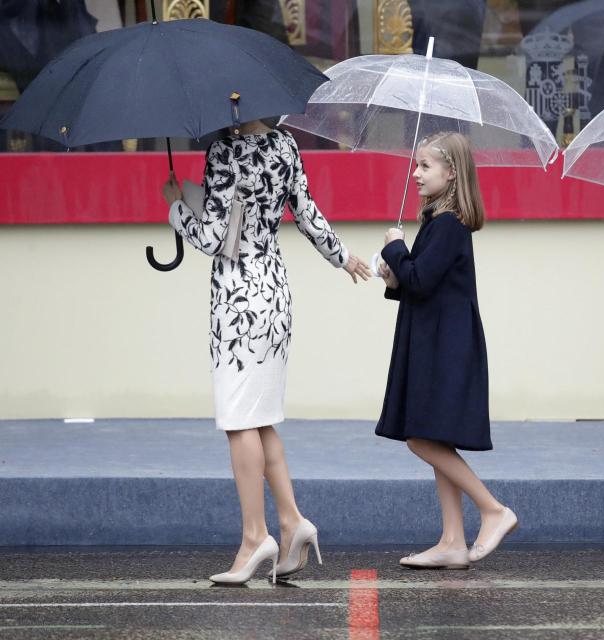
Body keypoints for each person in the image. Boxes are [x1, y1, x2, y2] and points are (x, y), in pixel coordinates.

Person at [161, 119, 370, 583]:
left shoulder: (223, 152)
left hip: (238, 299)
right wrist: (343, 257)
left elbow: (214, 239)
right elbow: (306, 213)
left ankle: (255, 538)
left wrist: (176, 207)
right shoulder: (286, 144)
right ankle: (292, 521)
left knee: (239, 420)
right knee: (259, 418)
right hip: (274, 291)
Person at [376, 131, 517, 570]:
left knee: (420, 438)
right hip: (435, 340)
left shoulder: (449, 225)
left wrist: (395, 248)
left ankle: (493, 509)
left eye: (425, 166)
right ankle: (453, 541)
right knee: (434, 436)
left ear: (451, 173)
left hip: (445, 346)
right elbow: (421, 281)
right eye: (416, 165)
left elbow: (420, 280)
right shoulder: (438, 223)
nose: (415, 174)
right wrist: (395, 274)